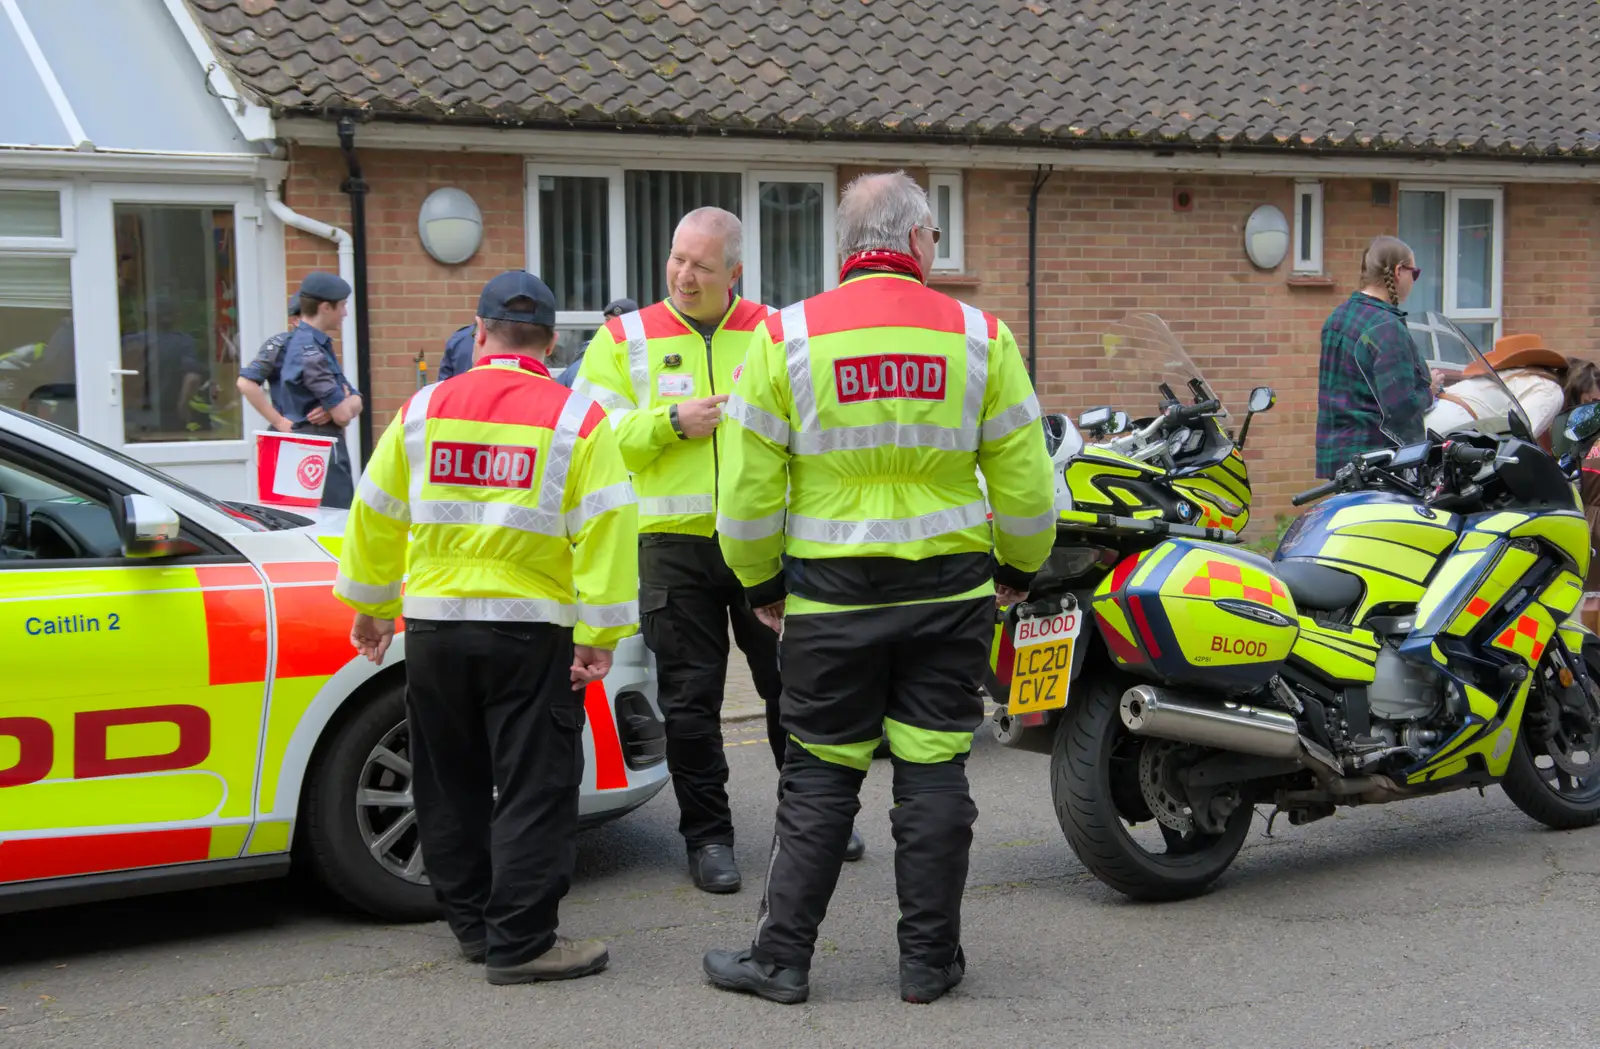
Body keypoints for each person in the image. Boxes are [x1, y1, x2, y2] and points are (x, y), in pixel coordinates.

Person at [702, 171, 1056, 1005]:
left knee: (821, 772)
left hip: (829, 597)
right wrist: (1017, 566)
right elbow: (1028, 486)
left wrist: (759, 582)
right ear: (918, 241)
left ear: (846, 247)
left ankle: (781, 959)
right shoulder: (980, 337)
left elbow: (746, 493)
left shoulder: (786, 337)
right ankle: (929, 963)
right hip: (950, 593)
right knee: (934, 768)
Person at [333, 270, 639, 985]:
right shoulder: (576, 417)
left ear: (479, 332)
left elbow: (375, 510)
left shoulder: (422, 409)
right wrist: (601, 630)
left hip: (436, 626)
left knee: (449, 779)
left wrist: (373, 605)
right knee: (534, 783)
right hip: (530, 631)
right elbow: (608, 526)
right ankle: (523, 941)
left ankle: (472, 922)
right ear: (552, 341)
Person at [574, 208, 864, 895]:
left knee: (793, 688)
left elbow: (814, 423)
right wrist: (671, 422)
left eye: (702, 265)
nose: (684, 274)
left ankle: (812, 819)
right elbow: (589, 437)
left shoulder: (774, 331)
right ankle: (708, 836)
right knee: (692, 701)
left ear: (735, 272)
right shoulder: (624, 337)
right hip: (671, 546)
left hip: (762, 539)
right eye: (677, 258)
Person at [1315, 235, 1432, 478]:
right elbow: (1401, 406)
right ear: (1399, 271)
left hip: (1337, 461)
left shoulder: (1336, 318)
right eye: (1415, 272)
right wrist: (1431, 391)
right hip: (1377, 462)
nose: (1414, 280)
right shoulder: (1387, 327)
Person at [279, 272, 363, 509]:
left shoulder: (314, 344)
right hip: (318, 453)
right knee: (333, 524)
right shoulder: (311, 352)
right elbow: (344, 415)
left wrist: (347, 400)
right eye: (342, 306)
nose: (345, 313)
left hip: (312, 450)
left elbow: (356, 397)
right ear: (326, 307)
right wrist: (343, 402)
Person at [1426, 335, 1600, 442]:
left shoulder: (1522, 376)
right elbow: (1519, 438)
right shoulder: (1551, 391)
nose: (1591, 410)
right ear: (1576, 389)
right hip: (1455, 427)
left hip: (1431, 417)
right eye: (1590, 402)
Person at [237, 294, 333, 431]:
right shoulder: (281, 345)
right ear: (295, 320)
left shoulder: (325, 345)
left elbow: (344, 389)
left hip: (324, 434)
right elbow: (245, 383)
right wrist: (279, 422)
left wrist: (333, 408)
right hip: (292, 434)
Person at [557, 298, 637, 389]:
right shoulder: (589, 356)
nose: (610, 327)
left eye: (618, 323)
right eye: (608, 321)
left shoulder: (641, 358)